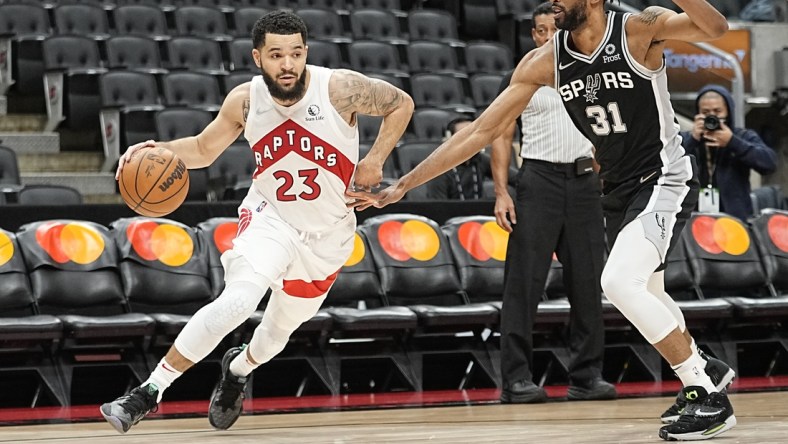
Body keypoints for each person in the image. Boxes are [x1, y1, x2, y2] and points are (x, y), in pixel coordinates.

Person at [348, 0, 737, 440]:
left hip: (662, 177)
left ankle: (705, 394)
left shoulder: (638, 28)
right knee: (648, 292)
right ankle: (707, 369)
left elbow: (715, 28)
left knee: (618, 283)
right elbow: (480, 131)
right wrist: (405, 185)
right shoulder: (545, 59)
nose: (554, 2)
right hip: (616, 190)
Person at [101, 11, 413, 434]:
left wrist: (374, 159)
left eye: (296, 53)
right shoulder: (245, 100)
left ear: (306, 53)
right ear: (257, 57)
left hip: (328, 236)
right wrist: (154, 150)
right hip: (270, 219)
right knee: (238, 300)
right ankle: (147, 392)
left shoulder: (339, 88)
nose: (288, 64)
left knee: (276, 336)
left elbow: (401, 103)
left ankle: (238, 369)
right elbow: (202, 148)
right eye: (277, 55)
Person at [490, 2, 614, 404]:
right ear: (533, 34)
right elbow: (500, 131)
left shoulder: (589, 69)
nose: (547, 36)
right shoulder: (528, 70)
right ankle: (516, 380)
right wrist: (502, 191)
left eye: (552, 28)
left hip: (583, 184)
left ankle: (586, 376)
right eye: (539, 31)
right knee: (523, 285)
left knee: (588, 284)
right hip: (538, 180)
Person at [680, 84, 777, 221]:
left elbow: (769, 164)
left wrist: (732, 142)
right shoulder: (687, 139)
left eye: (717, 111)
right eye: (706, 112)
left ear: (728, 112)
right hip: (693, 223)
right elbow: (667, 164)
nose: (712, 117)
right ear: (698, 114)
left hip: (734, 223)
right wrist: (693, 140)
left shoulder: (742, 137)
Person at [426, 117, 517, 200]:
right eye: (465, 135)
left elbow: (517, 179)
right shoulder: (438, 169)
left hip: (478, 213)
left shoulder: (479, 159)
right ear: (450, 139)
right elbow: (438, 207)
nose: (472, 140)